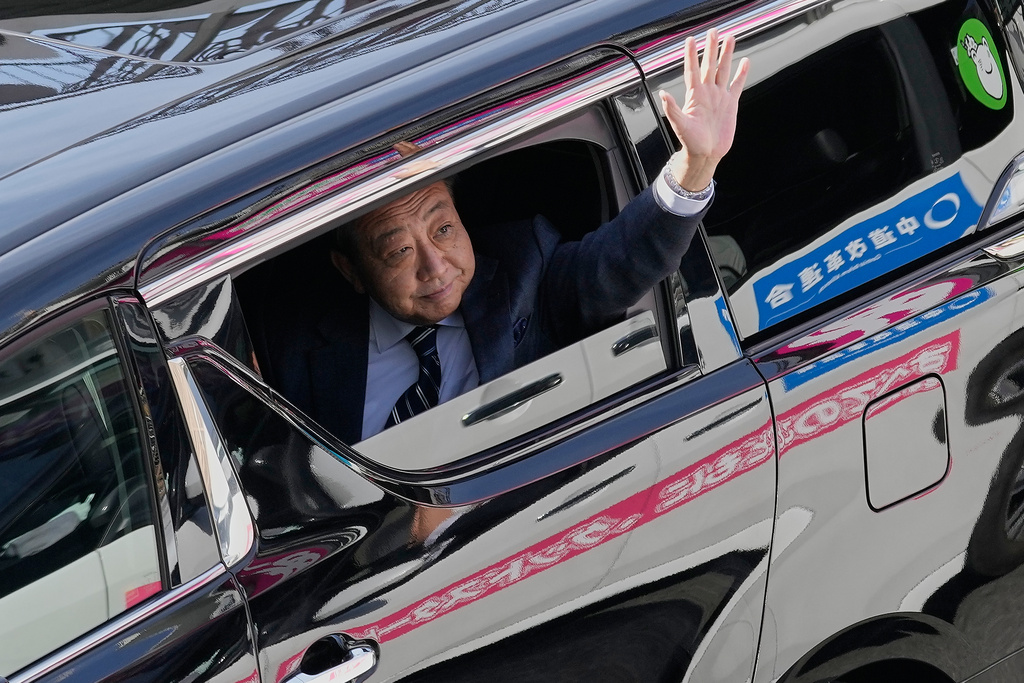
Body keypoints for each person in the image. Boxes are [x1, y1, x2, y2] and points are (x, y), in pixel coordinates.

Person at [273, 30, 749, 445]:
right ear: (350, 270)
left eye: (443, 230)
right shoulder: (296, 350)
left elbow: (620, 262)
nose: (436, 266)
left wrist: (695, 167)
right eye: (399, 250)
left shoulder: (526, 266)